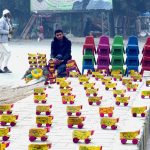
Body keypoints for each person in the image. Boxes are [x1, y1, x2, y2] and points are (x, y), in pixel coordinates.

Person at [0, 9, 13, 73]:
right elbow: (0, 30)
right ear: (5, 15)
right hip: (1, 40)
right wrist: (8, 32)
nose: (9, 15)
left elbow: (9, 28)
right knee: (8, 52)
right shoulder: (2, 20)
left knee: (2, 54)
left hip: (4, 40)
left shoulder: (7, 20)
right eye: (8, 14)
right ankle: (5, 67)